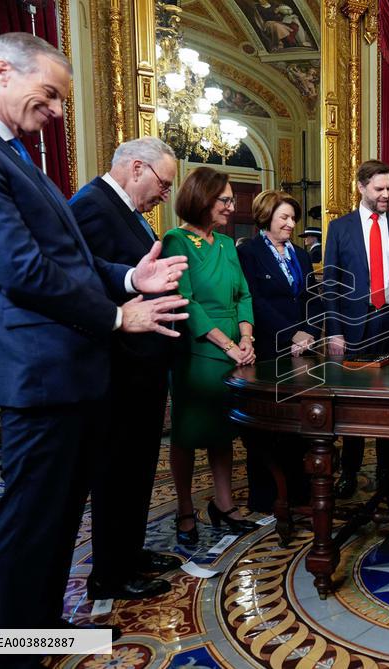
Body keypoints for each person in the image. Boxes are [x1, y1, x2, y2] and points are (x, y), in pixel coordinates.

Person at [0, 33, 188, 657]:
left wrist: (132, 278)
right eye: (51, 93)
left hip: (64, 367)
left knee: (56, 521)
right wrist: (117, 318)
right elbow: (21, 269)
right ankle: (11, 650)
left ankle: (39, 629)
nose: (58, 110)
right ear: (3, 71)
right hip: (36, 366)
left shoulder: (10, 151)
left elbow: (75, 261)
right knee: (31, 522)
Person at [70, 137, 182, 600]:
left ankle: (131, 552)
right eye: (163, 184)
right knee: (117, 474)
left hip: (143, 370)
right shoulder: (92, 206)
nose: (165, 195)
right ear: (137, 168)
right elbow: (85, 281)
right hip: (117, 369)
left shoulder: (130, 212)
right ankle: (110, 574)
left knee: (138, 470)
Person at [162, 167, 259, 546]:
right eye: (225, 200)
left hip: (235, 350)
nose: (233, 207)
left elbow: (244, 295)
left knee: (223, 432)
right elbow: (185, 301)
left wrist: (247, 336)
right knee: (188, 434)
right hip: (197, 350)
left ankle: (224, 504)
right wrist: (228, 344)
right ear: (203, 198)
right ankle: (185, 511)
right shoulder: (176, 240)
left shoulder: (225, 243)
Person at [323, 159, 389, 499]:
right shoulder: (340, 228)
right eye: (380, 189)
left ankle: (387, 472)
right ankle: (349, 472)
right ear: (362, 187)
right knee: (354, 403)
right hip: (355, 327)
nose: (386, 195)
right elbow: (331, 285)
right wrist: (335, 330)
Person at [237, 190, 323, 513]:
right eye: (284, 217)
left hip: (303, 354)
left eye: (293, 218)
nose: (291, 224)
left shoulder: (301, 255)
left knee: (298, 426)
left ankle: (298, 492)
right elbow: (254, 301)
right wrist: (292, 334)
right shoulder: (249, 252)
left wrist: (310, 332)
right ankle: (266, 496)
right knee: (268, 427)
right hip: (270, 351)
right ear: (266, 217)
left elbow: (314, 299)